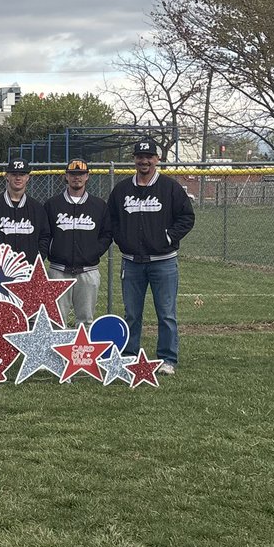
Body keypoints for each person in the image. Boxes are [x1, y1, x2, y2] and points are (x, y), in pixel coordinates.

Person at [108, 139, 195, 375]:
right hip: (132, 262)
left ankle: (167, 359)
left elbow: (187, 218)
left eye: (148, 156)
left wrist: (168, 237)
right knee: (132, 314)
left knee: (166, 313)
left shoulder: (170, 187)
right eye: (139, 156)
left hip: (163, 262)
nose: (144, 161)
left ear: (157, 159)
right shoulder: (122, 189)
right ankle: (129, 355)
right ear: (134, 160)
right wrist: (122, 238)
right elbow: (112, 219)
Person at [45, 159, 113, 329]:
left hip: (88, 271)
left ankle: (82, 355)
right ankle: (57, 356)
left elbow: (107, 234)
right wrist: (53, 250)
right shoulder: (52, 204)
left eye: (81, 174)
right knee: (56, 321)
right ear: (66, 176)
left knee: (86, 321)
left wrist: (94, 252)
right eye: (73, 174)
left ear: (87, 176)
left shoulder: (98, 205)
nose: (77, 178)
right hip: (58, 270)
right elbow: (44, 234)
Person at [0, 158, 50, 262]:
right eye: (14, 174)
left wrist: (37, 258)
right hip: (1, 269)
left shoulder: (37, 208)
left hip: (29, 268)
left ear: (27, 177)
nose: (18, 178)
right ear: (7, 176)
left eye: (22, 174)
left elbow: (44, 236)